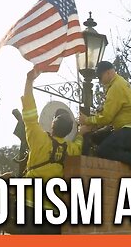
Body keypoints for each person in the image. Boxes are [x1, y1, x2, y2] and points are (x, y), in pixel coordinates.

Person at [20, 68, 90, 234]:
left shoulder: (39, 138)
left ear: (52, 124)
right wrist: (81, 133)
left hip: (30, 201)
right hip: (55, 207)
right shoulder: (70, 148)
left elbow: (29, 112)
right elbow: (79, 145)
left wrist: (29, 81)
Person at [79, 60, 131, 183]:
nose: (100, 81)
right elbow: (112, 112)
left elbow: (107, 118)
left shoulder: (116, 87)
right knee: (98, 138)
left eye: (100, 77)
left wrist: (87, 120)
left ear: (108, 73)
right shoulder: (120, 83)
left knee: (103, 150)